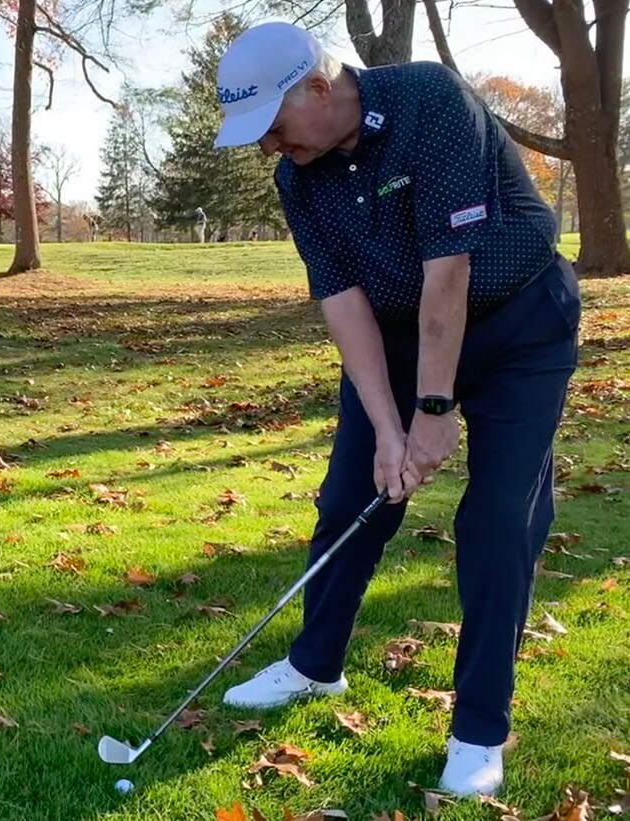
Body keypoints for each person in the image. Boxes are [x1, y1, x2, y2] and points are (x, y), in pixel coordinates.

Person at [209, 22, 579, 797]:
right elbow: (343, 304)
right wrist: (387, 425)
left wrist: (434, 409)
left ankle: (479, 726)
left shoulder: (427, 102)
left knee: (499, 517)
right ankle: (315, 666)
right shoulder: (297, 179)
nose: (270, 148)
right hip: (401, 332)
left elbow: (449, 269)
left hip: (519, 325)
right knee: (354, 495)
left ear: (318, 86)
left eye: (273, 127)